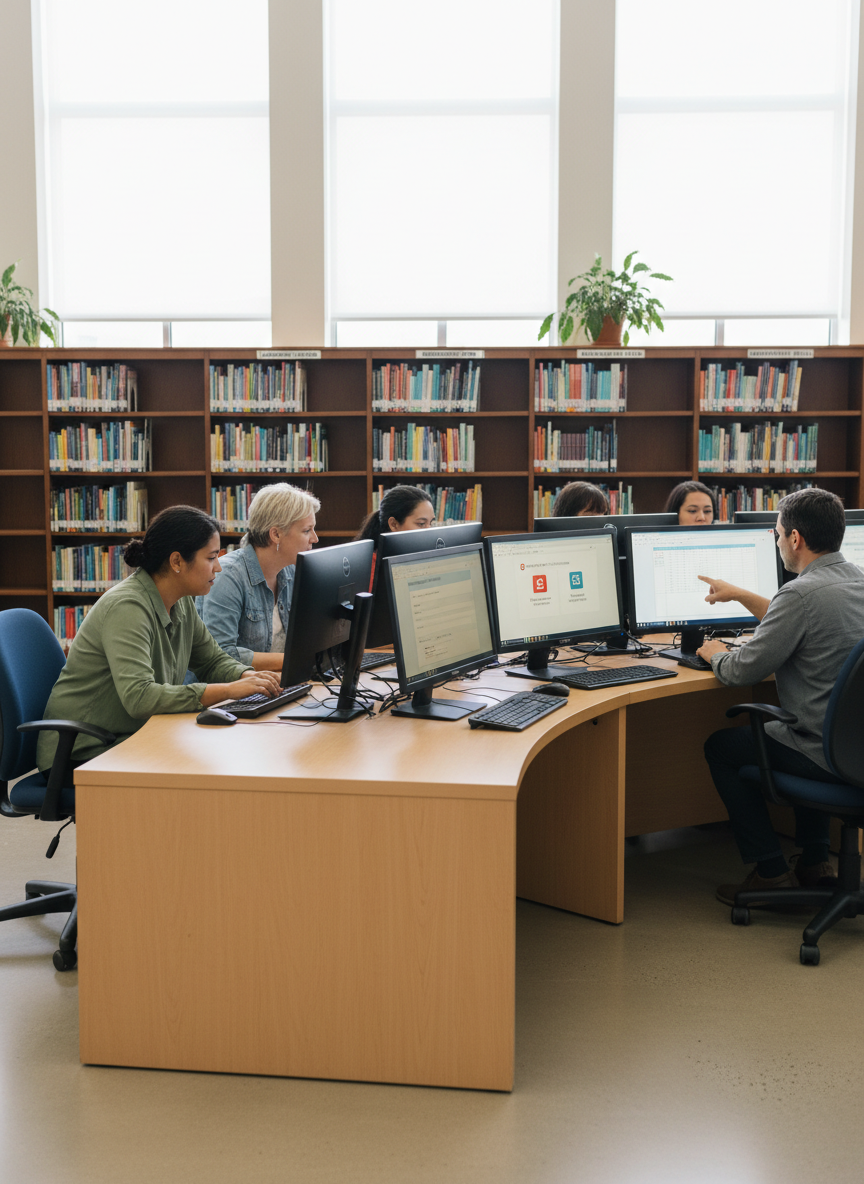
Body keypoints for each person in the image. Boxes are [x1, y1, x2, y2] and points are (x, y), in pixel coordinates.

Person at [697, 488, 864, 904]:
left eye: (776, 535)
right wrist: (739, 593)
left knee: (722, 747)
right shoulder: (856, 582)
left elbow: (741, 671)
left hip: (822, 754)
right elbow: (798, 617)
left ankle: (770, 870)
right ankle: (815, 861)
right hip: (856, 750)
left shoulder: (800, 595)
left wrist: (716, 654)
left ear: (794, 539)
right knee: (804, 725)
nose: (776, 544)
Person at [37, 505, 281, 773]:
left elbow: (211, 661)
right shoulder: (127, 607)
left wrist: (247, 677)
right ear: (177, 561)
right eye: (211, 558)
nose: (219, 568)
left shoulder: (181, 601)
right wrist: (227, 690)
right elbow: (139, 698)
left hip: (134, 737)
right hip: (85, 751)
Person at [198, 483, 320, 673]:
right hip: (232, 693)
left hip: (277, 684)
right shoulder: (227, 577)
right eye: (307, 530)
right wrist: (293, 660)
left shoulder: (293, 570)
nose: (315, 538)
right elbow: (221, 655)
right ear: (276, 534)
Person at [355, 485, 436, 588]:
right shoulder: (370, 569)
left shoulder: (419, 558)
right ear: (394, 524)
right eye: (421, 524)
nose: (429, 531)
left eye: (431, 523)